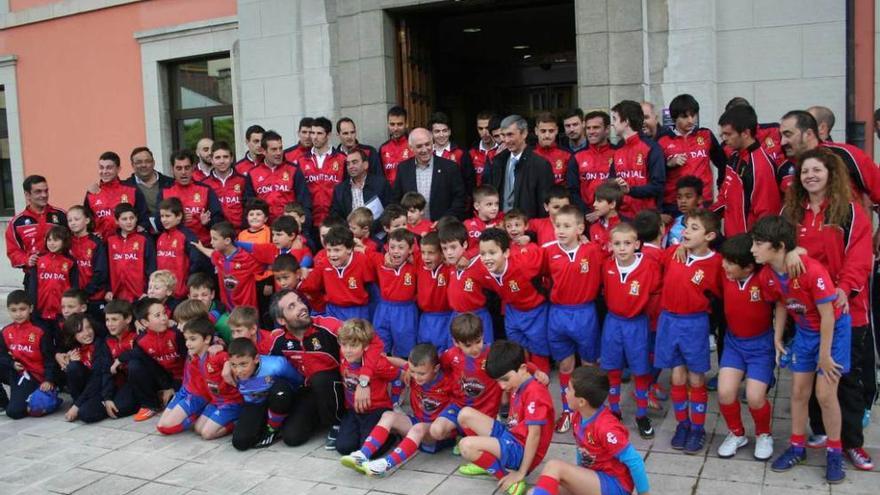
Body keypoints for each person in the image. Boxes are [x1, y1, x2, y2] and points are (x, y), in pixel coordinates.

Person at [781, 148, 874, 471]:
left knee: (843, 380)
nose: (810, 176)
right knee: (809, 382)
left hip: (845, 307)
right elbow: (782, 249)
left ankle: (852, 444)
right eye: (805, 171)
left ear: (830, 174)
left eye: (817, 170)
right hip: (805, 311)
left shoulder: (849, 212)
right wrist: (794, 250)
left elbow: (861, 258)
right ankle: (820, 432)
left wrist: (844, 288)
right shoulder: (793, 213)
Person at [751, 216, 850, 484]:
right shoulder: (767, 275)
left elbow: (828, 315)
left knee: (825, 394)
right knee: (797, 392)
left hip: (833, 332)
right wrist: (777, 335)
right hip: (805, 333)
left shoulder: (811, 270)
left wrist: (825, 355)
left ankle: (834, 452)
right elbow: (782, 303)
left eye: (758, 244)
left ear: (779, 246)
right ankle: (797, 448)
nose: (752, 249)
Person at [267, 289, 382, 449]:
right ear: (281, 320)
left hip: (341, 387)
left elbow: (374, 341)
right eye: (292, 306)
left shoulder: (329, 326)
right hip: (309, 391)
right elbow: (257, 358)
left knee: (320, 378)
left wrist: (364, 381)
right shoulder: (278, 339)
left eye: (300, 301)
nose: (302, 307)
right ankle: (320, 418)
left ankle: (337, 422)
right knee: (292, 437)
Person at [656, 209, 723, 454]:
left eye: (694, 228)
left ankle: (697, 428)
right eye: (686, 227)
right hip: (669, 321)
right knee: (677, 377)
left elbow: (721, 294)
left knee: (696, 378)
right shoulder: (674, 252)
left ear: (710, 235)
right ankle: (682, 424)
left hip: (694, 324)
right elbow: (652, 257)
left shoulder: (716, 262)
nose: (686, 232)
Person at [341, 343, 457, 477]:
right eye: (413, 371)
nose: (416, 377)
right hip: (418, 424)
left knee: (418, 428)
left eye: (421, 374)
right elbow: (394, 361)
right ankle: (362, 454)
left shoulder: (449, 381)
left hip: (439, 433)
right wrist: (384, 358)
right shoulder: (412, 374)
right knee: (388, 415)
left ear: (436, 368)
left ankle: (385, 464)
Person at [530, 366, 651, 495]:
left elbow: (635, 461)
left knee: (554, 466)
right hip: (594, 480)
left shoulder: (606, 427)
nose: (565, 391)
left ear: (582, 401)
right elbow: (581, 451)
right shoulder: (578, 416)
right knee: (533, 492)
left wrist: (644, 493)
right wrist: (578, 478)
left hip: (615, 485)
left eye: (569, 389)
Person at [456, 341, 555, 495]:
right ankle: (486, 462)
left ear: (522, 369)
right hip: (511, 435)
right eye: (498, 381)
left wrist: (522, 471)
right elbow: (524, 363)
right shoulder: (519, 376)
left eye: (505, 379)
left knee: (466, 446)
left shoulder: (535, 393)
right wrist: (536, 370)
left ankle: (509, 478)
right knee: (464, 414)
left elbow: (534, 435)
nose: (502, 386)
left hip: (520, 450)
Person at [543, 205, 605, 433]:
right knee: (565, 364)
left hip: (584, 312)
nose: (560, 230)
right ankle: (568, 410)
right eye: (557, 225)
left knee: (589, 363)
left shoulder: (593, 251)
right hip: (558, 313)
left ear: (580, 228)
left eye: (567, 226)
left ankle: (591, 410)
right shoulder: (547, 251)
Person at [714, 234, 775, 460]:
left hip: (761, 347)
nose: (724, 265)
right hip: (733, 343)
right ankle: (737, 433)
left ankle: (764, 434)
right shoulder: (725, 273)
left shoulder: (765, 278)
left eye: (730, 263)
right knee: (725, 392)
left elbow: (781, 301)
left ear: (749, 267)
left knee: (755, 397)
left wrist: (779, 338)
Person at [601, 222, 661, 439]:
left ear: (637, 244)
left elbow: (657, 291)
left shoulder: (649, 266)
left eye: (627, 243)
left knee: (640, 370)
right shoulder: (606, 265)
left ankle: (642, 414)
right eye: (617, 243)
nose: (622, 248)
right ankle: (615, 410)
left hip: (637, 323)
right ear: (610, 246)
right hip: (613, 322)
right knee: (612, 368)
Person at [476, 228, 549, 373]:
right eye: (483, 253)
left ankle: (540, 387)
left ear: (506, 253)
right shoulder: (482, 269)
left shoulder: (525, 263)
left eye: (492, 253)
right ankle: (523, 383)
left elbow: (547, 257)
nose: (487, 258)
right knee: (517, 349)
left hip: (535, 310)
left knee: (539, 351)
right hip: (512, 310)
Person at [156, 317, 242, 439]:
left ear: (207, 339)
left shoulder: (217, 355)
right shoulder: (194, 355)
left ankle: (237, 421)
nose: (188, 343)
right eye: (186, 339)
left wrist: (227, 362)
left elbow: (231, 358)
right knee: (197, 429)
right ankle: (201, 415)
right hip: (214, 401)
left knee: (206, 434)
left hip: (230, 402)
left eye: (193, 339)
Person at [778, 109, 880, 207]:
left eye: (788, 134)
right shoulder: (783, 167)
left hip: (845, 223)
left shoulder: (845, 155)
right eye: (781, 136)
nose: (782, 142)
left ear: (808, 134)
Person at [335, 319, 400, 456]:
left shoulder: (377, 363)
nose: (348, 350)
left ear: (365, 346)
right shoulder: (343, 356)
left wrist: (395, 399)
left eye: (353, 346)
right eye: (344, 345)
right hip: (354, 410)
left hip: (376, 410)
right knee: (344, 447)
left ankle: (392, 435)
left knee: (371, 450)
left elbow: (396, 375)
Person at [712, 105, 781, 236]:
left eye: (728, 134)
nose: (724, 139)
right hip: (732, 241)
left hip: (747, 246)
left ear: (745, 133)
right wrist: (704, 216)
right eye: (722, 134)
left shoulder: (760, 166)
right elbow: (724, 197)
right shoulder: (734, 156)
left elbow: (766, 214)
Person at [228, 337, 304, 450]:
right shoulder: (229, 372)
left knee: (280, 391)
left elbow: (298, 381)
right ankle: (268, 423)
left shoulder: (277, 365)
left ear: (256, 359)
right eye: (234, 365)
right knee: (240, 442)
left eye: (243, 364)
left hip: (279, 400)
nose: (238, 370)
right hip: (255, 403)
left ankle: (273, 429)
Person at [656, 94, 726, 211]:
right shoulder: (662, 140)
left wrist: (721, 190)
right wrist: (668, 164)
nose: (690, 120)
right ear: (674, 118)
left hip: (703, 201)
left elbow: (723, 164)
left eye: (693, 115)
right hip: (674, 204)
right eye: (684, 117)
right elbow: (654, 172)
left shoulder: (706, 135)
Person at [0, 290, 60, 419]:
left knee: (14, 413)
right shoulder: (5, 331)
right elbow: (2, 355)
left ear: (31, 308)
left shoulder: (40, 331)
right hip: (16, 371)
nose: (18, 314)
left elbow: (50, 358)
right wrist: (11, 363)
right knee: (11, 408)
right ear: (8, 311)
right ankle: (3, 403)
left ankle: (45, 397)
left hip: (34, 376)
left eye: (22, 309)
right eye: (13, 310)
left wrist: (48, 380)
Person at [123, 298, 185, 421]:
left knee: (175, 411)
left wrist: (173, 387)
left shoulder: (176, 333)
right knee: (134, 365)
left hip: (182, 378)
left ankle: (169, 397)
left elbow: (188, 361)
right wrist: (166, 386)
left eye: (164, 313)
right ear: (145, 322)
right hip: (162, 378)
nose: (164, 318)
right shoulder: (140, 341)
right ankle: (149, 405)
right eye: (157, 315)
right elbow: (152, 367)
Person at [484, 115, 555, 219]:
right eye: (503, 135)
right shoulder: (498, 161)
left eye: (510, 135)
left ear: (524, 133)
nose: (506, 140)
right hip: (500, 225)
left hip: (527, 228)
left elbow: (543, 206)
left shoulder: (540, 165)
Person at [299, 226, 374, 321]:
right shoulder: (323, 263)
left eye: (337, 250)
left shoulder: (362, 261)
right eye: (329, 250)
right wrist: (321, 303)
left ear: (349, 249)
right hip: (332, 310)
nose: (332, 255)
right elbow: (310, 287)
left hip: (358, 311)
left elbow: (372, 289)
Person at [392, 127, 467, 221]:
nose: (424, 150)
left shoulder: (450, 167)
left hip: (442, 229)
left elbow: (460, 199)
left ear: (433, 143)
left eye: (427, 144)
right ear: (411, 148)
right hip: (412, 229)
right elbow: (396, 200)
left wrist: (445, 221)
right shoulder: (403, 168)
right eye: (419, 146)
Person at [439, 222, 494, 342]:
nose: (449, 252)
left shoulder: (479, 264)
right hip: (456, 317)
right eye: (444, 248)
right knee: (457, 354)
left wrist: (468, 254)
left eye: (453, 247)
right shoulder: (450, 265)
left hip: (478, 317)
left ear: (464, 244)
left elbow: (485, 249)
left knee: (483, 354)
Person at [5, 175, 67, 282]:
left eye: (46, 191)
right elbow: (13, 252)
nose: (44, 195)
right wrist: (27, 260)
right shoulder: (17, 222)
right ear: (27, 195)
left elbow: (76, 240)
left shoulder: (61, 215)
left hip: (62, 274)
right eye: (38, 192)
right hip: (34, 277)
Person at [610, 100, 665, 217]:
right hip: (622, 217)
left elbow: (658, 186)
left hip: (646, 218)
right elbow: (611, 181)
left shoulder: (652, 148)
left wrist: (630, 190)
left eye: (615, 119)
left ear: (626, 121)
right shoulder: (618, 149)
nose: (612, 124)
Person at [370, 228, 419, 358]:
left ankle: (402, 376)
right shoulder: (380, 260)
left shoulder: (416, 263)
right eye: (392, 247)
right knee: (380, 346)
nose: (396, 251)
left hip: (405, 311)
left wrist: (415, 256)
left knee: (405, 351)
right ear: (387, 247)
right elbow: (360, 248)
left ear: (410, 249)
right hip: (383, 309)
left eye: (401, 247)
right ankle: (384, 375)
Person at [158, 150, 224, 245]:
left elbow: (219, 220)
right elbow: (158, 222)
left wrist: (207, 222)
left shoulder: (205, 190)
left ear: (193, 168)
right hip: (174, 247)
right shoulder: (164, 192)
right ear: (172, 169)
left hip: (203, 246)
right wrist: (177, 220)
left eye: (187, 168)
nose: (183, 172)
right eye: (179, 168)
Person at [192, 222, 261, 310]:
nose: (211, 242)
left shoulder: (246, 258)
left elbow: (269, 264)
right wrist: (201, 248)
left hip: (246, 310)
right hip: (227, 307)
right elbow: (212, 253)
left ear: (227, 241)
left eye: (215, 239)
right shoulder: (219, 256)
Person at [247, 130, 312, 223]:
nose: (279, 153)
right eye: (274, 149)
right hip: (264, 229)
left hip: (289, 228)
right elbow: (250, 206)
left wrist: (304, 228)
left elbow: (304, 202)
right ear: (263, 151)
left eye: (280, 148)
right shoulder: (253, 173)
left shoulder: (294, 170)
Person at [294, 116, 347, 228]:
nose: (314, 137)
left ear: (328, 135)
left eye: (319, 133)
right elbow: (299, 192)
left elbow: (346, 190)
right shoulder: (302, 161)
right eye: (313, 133)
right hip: (310, 220)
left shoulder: (342, 159)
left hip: (335, 220)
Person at [84, 151, 149, 239]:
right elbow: (86, 220)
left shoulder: (132, 190)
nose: (104, 171)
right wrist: (92, 235)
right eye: (101, 167)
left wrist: (139, 230)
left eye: (109, 168)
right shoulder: (92, 193)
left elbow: (144, 217)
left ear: (118, 169)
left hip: (127, 246)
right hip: (102, 247)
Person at [156, 197, 210, 300]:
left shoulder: (188, 236)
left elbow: (197, 262)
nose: (164, 219)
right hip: (164, 293)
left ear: (179, 216)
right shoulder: (161, 237)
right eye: (162, 216)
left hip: (181, 293)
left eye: (168, 216)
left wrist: (186, 284)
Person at [28, 225, 78, 326]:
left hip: (62, 313)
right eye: (49, 240)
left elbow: (74, 287)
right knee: (44, 341)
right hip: (41, 313)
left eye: (56, 240)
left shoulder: (70, 262)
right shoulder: (38, 260)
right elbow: (33, 286)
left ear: (64, 241)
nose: (51, 243)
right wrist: (32, 306)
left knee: (62, 341)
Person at [567, 110, 615, 214]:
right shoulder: (576, 157)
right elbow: (572, 191)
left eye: (596, 127)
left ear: (607, 129)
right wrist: (586, 213)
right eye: (588, 128)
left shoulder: (618, 154)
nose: (591, 131)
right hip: (586, 216)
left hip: (612, 214)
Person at [105, 204, 156, 302]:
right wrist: (108, 289)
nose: (129, 222)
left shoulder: (144, 239)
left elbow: (151, 266)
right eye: (124, 219)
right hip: (116, 295)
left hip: (140, 295)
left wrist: (147, 291)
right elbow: (106, 268)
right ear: (116, 221)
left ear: (136, 218)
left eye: (131, 218)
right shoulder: (110, 240)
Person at [330, 149, 393, 222]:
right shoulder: (340, 190)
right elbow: (336, 216)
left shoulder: (380, 184)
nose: (351, 166)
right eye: (348, 164)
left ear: (365, 165)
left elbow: (390, 210)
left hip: (378, 230)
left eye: (354, 162)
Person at [67, 206, 108, 316]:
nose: (73, 223)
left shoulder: (96, 243)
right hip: (73, 299)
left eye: (77, 219)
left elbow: (101, 272)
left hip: (94, 298)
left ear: (87, 220)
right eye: (70, 220)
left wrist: (86, 292)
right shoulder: (67, 243)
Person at [415, 232, 452, 351]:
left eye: (431, 253)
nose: (426, 257)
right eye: (423, 252)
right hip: (425, 318)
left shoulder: (450, 267)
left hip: (445, 317)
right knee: (425, 352)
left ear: (442, 254)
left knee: (444, 353)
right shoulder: (418, 263)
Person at [203, 140, 251, 229]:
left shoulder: (243, 180)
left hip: (241, 234)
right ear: (212, 160)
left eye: (225, 157)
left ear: (232, 158)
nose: (222, 161)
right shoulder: (204, 185)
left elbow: (248, 208)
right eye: (217, 157)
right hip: (218, 235)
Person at [123, 146, 174, 220]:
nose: (144, 165)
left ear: (153, 163)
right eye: (139, 162)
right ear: (132, 165)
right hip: (139, 230)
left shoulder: (171, 183)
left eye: (147, 161)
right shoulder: (125, 187)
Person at [429, 111, 474, 189]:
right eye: (437, 131)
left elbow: (469, 181)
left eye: (444, 131)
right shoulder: (427, 153)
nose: (441, 135)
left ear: (449, 131)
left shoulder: (461, 153)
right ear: (431, 133)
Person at [533, 112, 572, 184]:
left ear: (556, 130)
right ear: (536, 131)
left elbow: (571, 186)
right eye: (543, 131)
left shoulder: (567, 155)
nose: (547, 135)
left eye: (551, 131)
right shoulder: (528, 155)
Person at [666, 176, 704, 246]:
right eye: (679, 197)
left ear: (699, 199)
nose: (683, 201)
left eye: (688, 197)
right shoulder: (672, 223)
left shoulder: (706, 224)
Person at [589, 181, 625, 253]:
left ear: (612, 204)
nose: (594, 204)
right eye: (595, 200)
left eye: (599, 201)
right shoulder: (593, 228)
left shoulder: (625, 227)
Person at [379, 106, 411, 184]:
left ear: (406, 124)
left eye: (399, 124)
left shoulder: (413, 145)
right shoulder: (383, 148)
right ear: (388, 125)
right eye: (392, 124)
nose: (395, 128)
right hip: (390, 194)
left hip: (409, 194)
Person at [469, 111, 500, 187]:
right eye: (480, 128)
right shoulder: (471, 153)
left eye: (487, 128)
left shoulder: (503, 150)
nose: (484, 132)